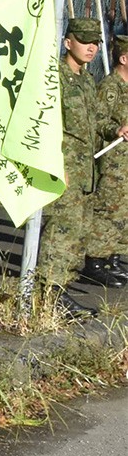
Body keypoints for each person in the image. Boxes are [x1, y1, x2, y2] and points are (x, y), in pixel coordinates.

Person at [34, 17, 119, 298]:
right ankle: (48, 293)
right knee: (61, 231)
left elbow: (94, 121)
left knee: (79, 232)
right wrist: (55, 164)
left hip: (86, 171)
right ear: (67, 42)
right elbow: (44, 123)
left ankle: (61, 290)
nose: (91, 47)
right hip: (64, 167)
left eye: (95, 42)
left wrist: (116, 129)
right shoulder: (54, 76)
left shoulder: (86, 80)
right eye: (85, 41)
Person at [89, 31, 128, 286]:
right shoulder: (110, 87)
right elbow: (99, 120)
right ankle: (94, 261)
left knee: (122, 211)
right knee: (107, 210)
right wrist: (117, 129)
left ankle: (112, 259)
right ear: (124, 59)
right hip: (113, 160)